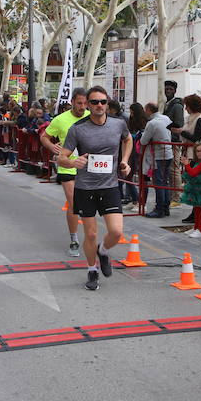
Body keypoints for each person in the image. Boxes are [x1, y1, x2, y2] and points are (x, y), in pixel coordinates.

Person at [58, 86, 132, 291]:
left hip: (109, 186)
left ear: (107, 103)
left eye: (103, 102)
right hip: (85, 187)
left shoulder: (118, 124)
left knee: (116, 232)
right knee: (90, 234)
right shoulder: (78, 129)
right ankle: (92, 270)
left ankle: (104, 251)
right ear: (88, 105)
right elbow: (61, 157)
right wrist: (73, 163)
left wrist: (125, 161)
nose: (99, 106)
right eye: (94, 102)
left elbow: (128, 139)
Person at [41, 88, 89, 257]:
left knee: (87, 204)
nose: (82, 107)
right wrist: (51, 146)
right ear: (72, 102)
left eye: (85, 103)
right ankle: (74, 240)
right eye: (79, 103)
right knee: (74, 202)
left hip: (88, 167)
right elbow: (44, 136)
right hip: (67, 166)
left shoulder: (92, 117)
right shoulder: (60, 120)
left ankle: (90, 238)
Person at [173, 93, 201, 224]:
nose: (185, 108)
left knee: (196, 187)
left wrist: (180, 132)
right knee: (193, 187)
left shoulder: (200, 119)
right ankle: (195, 213)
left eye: (187, 106)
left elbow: (196, 138)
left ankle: (199, 214)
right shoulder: (191, 118)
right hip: (190, 154)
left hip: (197, 155)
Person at [140, 103, 172, 218]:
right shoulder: (166, 118)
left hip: (158, 155)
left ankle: (160, 209)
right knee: (165, 182)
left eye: (145, 110)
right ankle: (166, 207)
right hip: (169, 153)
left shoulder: (152, 123)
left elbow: (143, 141)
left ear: (148, 110)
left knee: (158, 182)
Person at [180, 142, 201, 238]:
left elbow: (193, 173)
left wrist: (186, 164)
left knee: (200, 209)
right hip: (197, 188)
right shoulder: (198, 162)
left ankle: (199, 230)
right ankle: (196, 228)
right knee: (197, 209)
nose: (199, 153)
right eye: (197, 151)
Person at [163, 80, 185, 205]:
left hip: (174, 142)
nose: (168, 91)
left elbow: (179, 124)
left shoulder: (176, 106)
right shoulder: (168, 104)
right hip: (168, 140)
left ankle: (176, 197)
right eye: (166, 89)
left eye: (170, 89)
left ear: (175, 91)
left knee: (174, 169)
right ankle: (172, 195)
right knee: (170, 170)